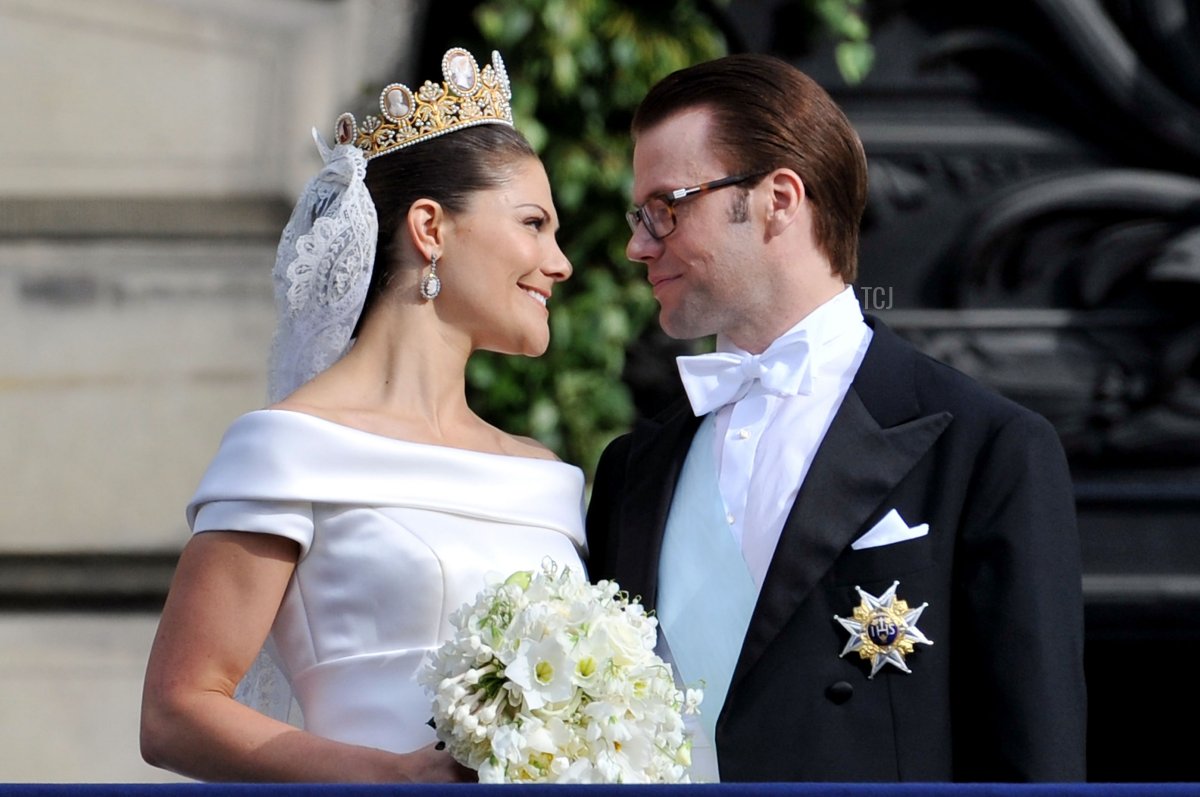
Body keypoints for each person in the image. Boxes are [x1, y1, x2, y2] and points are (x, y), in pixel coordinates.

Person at [585, 53, 1086, 782]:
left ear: (779, 199)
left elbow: (1036, 759)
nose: (638, 244)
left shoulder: (990, 448)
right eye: (640, 215)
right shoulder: (635, 466)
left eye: (668, 207)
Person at [141, 48, 584, 782]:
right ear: (430, 228)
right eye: (535, 223)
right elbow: (176, 709)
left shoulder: (545, 474)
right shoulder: (290, 449)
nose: (560, 261)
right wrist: (390, 776)